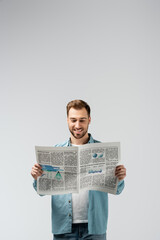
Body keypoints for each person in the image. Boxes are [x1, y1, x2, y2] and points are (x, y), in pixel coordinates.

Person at [31, 99, 126, 240]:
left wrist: (120, 178)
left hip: (95, 227)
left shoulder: (103, 151)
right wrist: (37, 177)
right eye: (73, 120)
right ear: (67, 120)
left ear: (89, 120)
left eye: (82, 120)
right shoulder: (56, 151)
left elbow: (117, 190)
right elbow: (41, 192)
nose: (77, 125)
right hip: (63, 226)